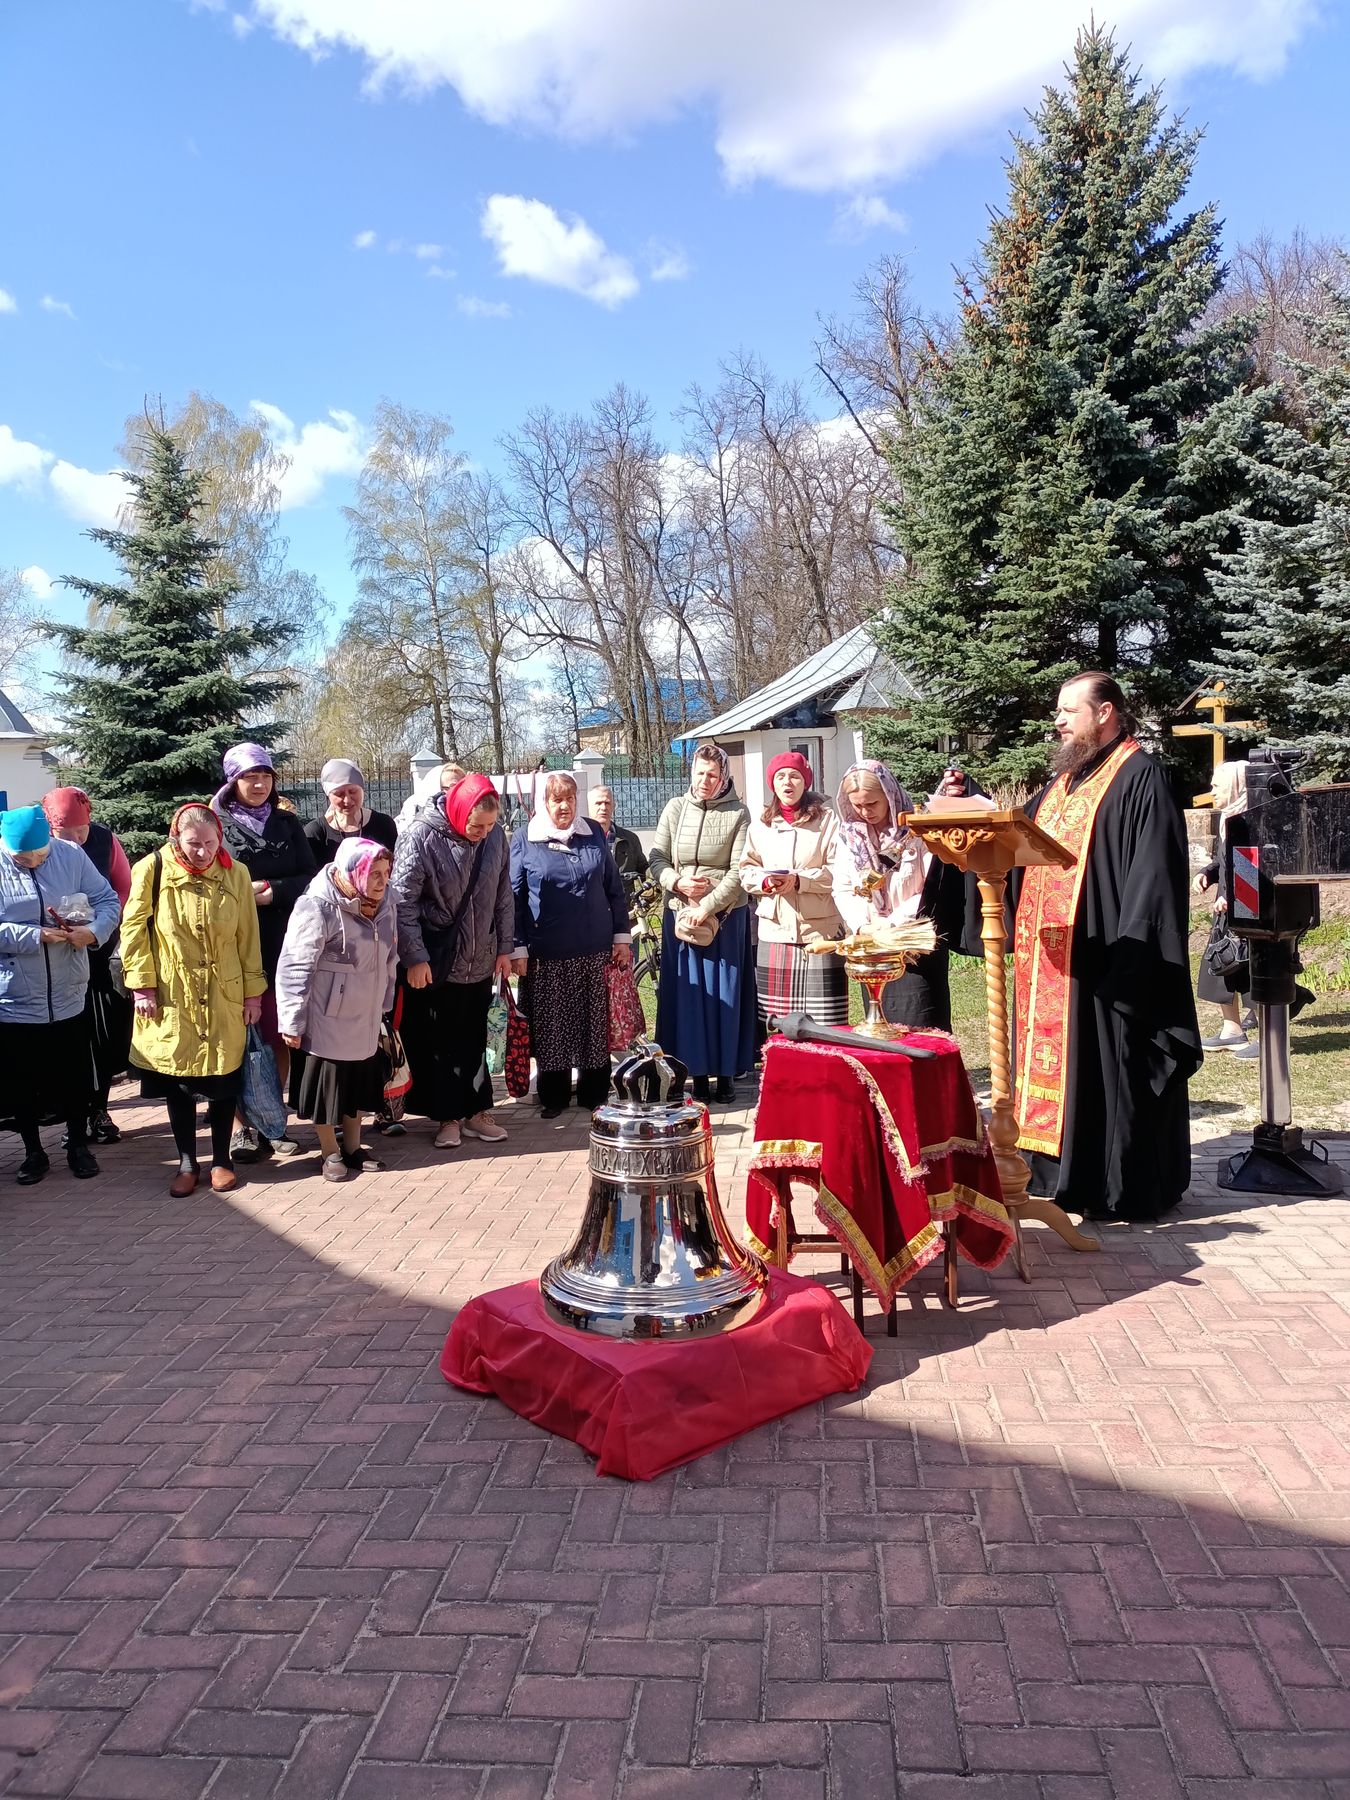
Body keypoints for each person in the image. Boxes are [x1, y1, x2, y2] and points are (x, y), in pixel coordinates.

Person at [1010, 671, 1201, 1222]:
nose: (1058, 720)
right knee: (1064, 1066)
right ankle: (1061, 1174)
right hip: (1055, 961)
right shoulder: (1063, 782)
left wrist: (1135, 947)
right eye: (1059, 711)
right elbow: (1014, 839)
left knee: (1111, 1066)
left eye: (1070, 710)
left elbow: (1156, 869)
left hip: (1108, 955)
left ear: (1106, 713)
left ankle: (1118, 1185)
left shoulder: (1139, 774)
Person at [120, 803, 266, 1196]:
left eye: (209, 843)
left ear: (220, 838)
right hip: (173, 992)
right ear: (176, 839)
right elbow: (133, 931)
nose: (201, 852)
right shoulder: (151, 870)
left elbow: (248, 938)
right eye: (192, 843)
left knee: (223, 1080)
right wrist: (142, 985)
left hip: (225, 992)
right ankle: (187, 1162)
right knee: (179, 1082)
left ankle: (222, 1160)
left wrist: (254, 994)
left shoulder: (236, 874)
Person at [392, 771, 515, 1149]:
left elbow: (503, 894)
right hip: (437, 958)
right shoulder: (421, 835)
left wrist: (505, 948)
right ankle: (447, 1117)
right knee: (440, 1040)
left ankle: (477, 1112)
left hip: (480, 957)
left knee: (475, 1037)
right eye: (477, 825)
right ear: (459, 811)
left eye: (491, 825)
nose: (483, 832)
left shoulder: (495, 838)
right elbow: (402, 902)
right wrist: (414, 957)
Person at [0, 805, 121, 1185]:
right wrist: (33, 936)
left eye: (40, 854)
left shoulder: (68, 854)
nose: (34, 862)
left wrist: (93, 932)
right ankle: (33, 1152)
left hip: (70, 988)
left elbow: (108, 900)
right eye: (23, 858)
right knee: (23, 1079)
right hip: (16, 997)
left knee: (74, 1073)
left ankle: (77, 1146)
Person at [212, 742, 316, 1161]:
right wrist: (240, 895)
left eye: (265, 776)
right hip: (230, 945)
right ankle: (240, 1129)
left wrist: (272, 893)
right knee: (233, 1037)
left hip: (280, 941)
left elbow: (311, 877)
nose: (258, 784)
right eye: (248, 777)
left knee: (275, 1035)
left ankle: (274, 1123)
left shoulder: (287, 823)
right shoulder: (214, 823)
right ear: (232, 780)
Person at [276, 837, 398, 1181]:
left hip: (366, 1013)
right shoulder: (317, 905)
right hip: (327, 1016)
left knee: (358, 1083)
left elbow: (391, 956)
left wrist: (384, 1003)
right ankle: (330, 1152)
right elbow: (295, 965)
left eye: (386, 872)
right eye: (373, 873)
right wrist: (292, 1020)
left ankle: (354, 1147)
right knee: (328, 1088)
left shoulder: (386, 902)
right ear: (353, 871)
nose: (382, 880)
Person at [511, 772, 631, 1118]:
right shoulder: (525, 838)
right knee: (552, 1026)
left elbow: (613, 888)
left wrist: (621, 935)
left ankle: (594, 1092)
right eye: (556, 799)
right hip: (547, 953)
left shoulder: (592, 832)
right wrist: (517, 947)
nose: (564, 806)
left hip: (595, 949)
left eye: (569, 799)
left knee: (593, 1023)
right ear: (544, 803)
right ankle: (554, 1096)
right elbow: (514, 899)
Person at [832, 760, 976, 1030]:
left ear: (889, 795)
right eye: (857, 805)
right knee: (880, 1024)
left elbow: (929, 888)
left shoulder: (918, 830)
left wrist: (891, 925)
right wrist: (864, 926)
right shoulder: (847, 838)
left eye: (872, 803)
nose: (865, 812)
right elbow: (841, 887)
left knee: (921, 1025)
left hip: (914, 944)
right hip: (873, 944)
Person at [648, 744, 755, 1104]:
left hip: (724, 919)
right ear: (690, 773)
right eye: (699, 773)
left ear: (723, 776)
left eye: (712, 774)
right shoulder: (675, 808)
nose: (705, 781)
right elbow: (658, 856)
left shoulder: (740, 813)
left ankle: (725, 1073)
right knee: (689, 996)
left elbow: (740, 870)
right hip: (680, 916)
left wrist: (707, 905)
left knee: (723, 993)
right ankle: (693, 1073)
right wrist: (676, 883)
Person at [42, 786, 135, 1144]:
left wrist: (98, 923)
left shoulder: (104, 841)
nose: (76, 841)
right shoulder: (38, 848)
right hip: (54, 957)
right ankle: (72, 1117)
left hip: (96, 952)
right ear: (51, 826)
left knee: (102, 1037)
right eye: (66, 834)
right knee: (70, 1039)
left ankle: (99, 1110)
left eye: (81, 831)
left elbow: (123, 888)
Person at [739, 751, 846, 1028]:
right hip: (776, 934)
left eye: (795, 776)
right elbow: (746, 870)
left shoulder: (828, 821)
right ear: (772, 784)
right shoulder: (760, 825)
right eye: (781, 776)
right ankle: (784, 1073)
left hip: (820, 932)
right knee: (778, 1024)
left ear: (805, 782)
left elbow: (840, 872)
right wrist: (765, 882)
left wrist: (800, 880)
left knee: (825, 1023)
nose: (788, 782)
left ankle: (825, 1072)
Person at [1194, 761, 1258, 1060]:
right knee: (1221, 965)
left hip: (1250, 906)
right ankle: (1232, 1031)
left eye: (1216, 786)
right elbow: (1225, 861)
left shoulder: (1250, 818)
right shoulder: (1228, 817)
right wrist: (1208, 872)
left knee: (1252, 969)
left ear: (1234, 786)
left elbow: (1252, 863)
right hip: (1227, 905)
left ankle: (1272, 1036)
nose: (1211, 791)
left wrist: (1233, 898)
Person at [304, 759, 399, 868]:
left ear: (362, 790)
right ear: (328, 795)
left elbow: (395, 869)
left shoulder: (383, 824)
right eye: (339, 794)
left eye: (353, 791)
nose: (347, 800)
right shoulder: (316, 832)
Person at [588, 786, 648, 880]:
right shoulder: (579, 839)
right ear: (588, 806)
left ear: (613, 806)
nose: (603, 808)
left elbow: (643, 870)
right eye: (598, 803)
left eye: (607, 803)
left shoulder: (630, 839)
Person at [397, 761, 468, 831]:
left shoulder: (469, 816)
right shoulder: (413, 812)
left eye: (462, 787)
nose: (457, 793)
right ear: (434, 788)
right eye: (453, 787)